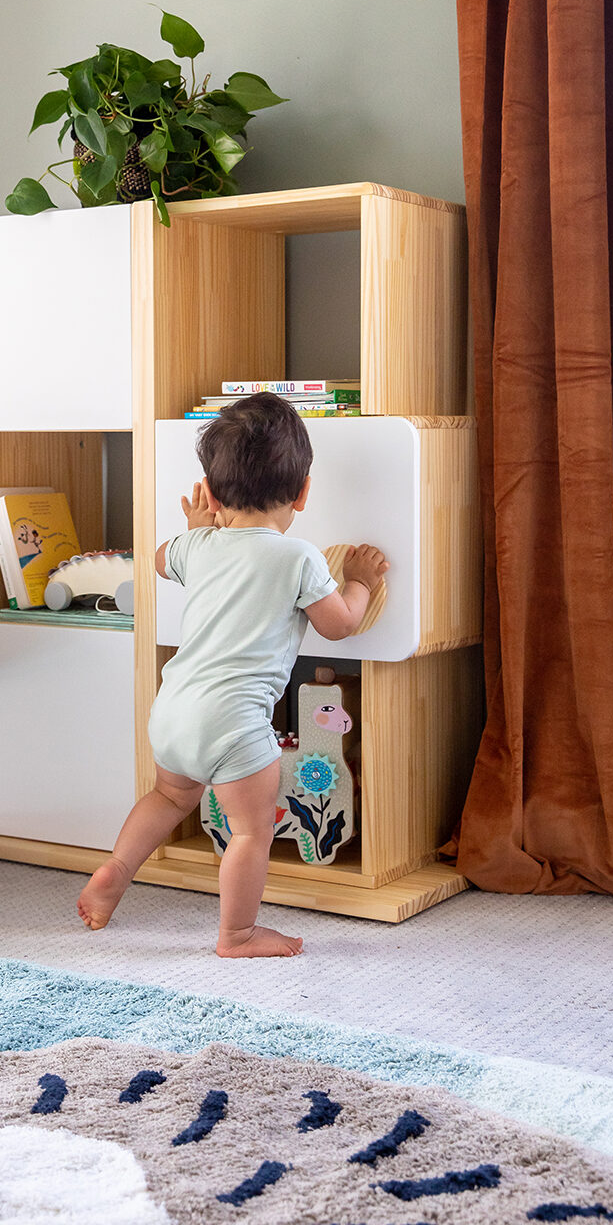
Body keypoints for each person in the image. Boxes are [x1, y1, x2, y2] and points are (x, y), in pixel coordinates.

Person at [77, 392, 389, 957]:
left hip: (174, 709)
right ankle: (237, 934)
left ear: (215, 496)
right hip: (236, 722)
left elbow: (156, 558)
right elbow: (340, 626)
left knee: (170, 798)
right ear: (303, 492)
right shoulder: (298, 558)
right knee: (251, 832)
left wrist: (198, 526)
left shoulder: (197, 545)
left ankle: (118, 870)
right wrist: (361, 580)